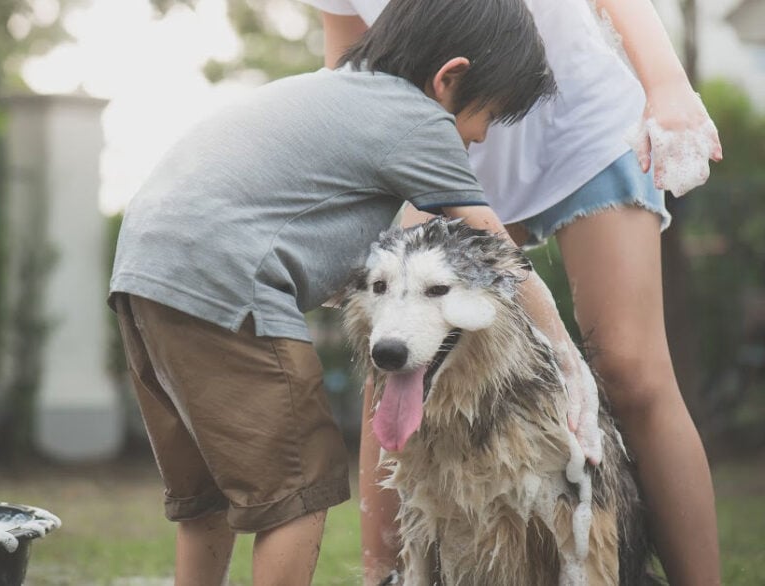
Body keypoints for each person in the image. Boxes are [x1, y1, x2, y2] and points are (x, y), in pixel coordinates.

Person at [107, 0, 561, 583]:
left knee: (208, 495)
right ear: (449, 77)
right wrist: (564, 366)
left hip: (144, 272)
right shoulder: (418, 119)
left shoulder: (332, 93)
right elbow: (500, 254)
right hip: (229, 282)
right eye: (489, 115)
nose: (476, 138)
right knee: (302, 487)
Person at [298, 0, 724, 584]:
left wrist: (668, 84)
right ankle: (385, 577)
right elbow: (352, 69)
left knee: (631, 369)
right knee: (399, 355)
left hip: (583, 124)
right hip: (441, 137)